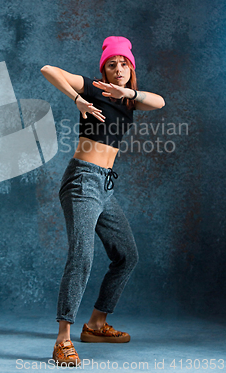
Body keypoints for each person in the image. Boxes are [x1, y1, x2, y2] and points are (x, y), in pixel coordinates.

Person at [40, 36, 165, 367]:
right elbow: (48, 69)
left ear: (131, 69)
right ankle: (62, 340)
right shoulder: (94, 88)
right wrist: (78, 98)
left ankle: (95, 324)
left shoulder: (128, 100)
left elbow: (160, 102)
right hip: (82, 180)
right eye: (112, 64)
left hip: (105, 185)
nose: (119, 68)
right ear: (104, 69)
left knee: (127, 256)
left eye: (124, 64)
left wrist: (130, 94)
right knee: (82, 255)